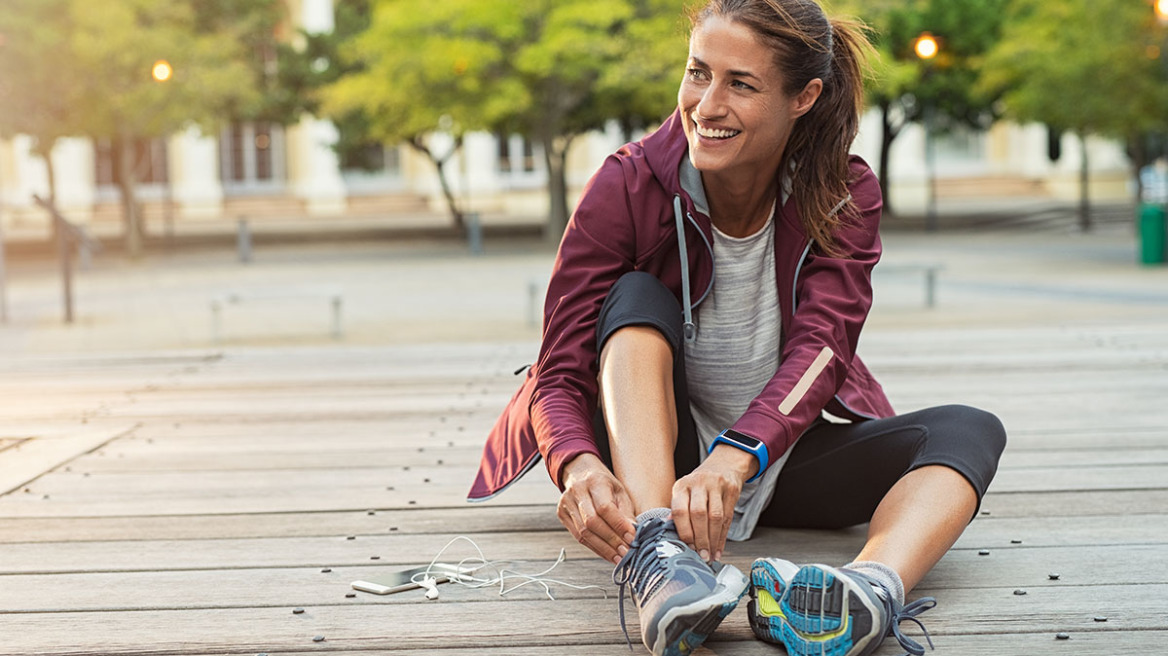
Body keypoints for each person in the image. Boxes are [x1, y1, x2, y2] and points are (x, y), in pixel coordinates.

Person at [469, 1, 1007, 655]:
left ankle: (869, 592)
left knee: (970, 428)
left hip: (771, 461)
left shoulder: (842, 192)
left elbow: (823, 349)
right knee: (636, 295)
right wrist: (577, 465)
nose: (706, 105)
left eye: (740, 84)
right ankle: (661, 555)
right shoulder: (628, 183)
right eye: (698, 73)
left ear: (803, 96)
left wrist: (737, 457)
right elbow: (557, 369)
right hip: (659, 467)